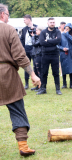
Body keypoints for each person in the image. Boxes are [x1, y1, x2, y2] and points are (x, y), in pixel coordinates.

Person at [0, 4, 41, 156]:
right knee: (17, 111)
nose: (8, 17)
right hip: (7, 74)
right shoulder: (8, 29)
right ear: (3, 15)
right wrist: (32, 74)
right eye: (8, 14)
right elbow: (19, 55)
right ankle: (23, 146)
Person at [38, 17, 62, 95]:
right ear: (47, 23)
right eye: (51, 22)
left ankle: (58, 89)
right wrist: (53, 42)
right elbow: (41, 42)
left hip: (55, 55)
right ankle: (43, 89)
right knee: (44, 72)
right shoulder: (43, 32)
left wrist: (47, 40)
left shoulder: (57, 31)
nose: (52, 24)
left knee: (56, 72)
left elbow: (58, 40)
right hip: (45, 55)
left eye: (53, 22)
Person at [20, 14, 37, 89]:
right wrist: (22, 48)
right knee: (26, 65)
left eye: (25, 20)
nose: (24, 21)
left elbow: (38, 37)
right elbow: (22, 40)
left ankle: (37, 83)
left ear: (29, 19)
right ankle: (26, 84)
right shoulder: (24, 29)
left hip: (34, 48)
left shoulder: (36, 27)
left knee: (36, 66)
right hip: (26, 49)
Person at [58, 23, 72, 89]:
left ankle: (71, 83)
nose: (66, 30)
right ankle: (64, 83)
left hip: (71, 53)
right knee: (64, 68)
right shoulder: (61, 35)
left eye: (68, 29)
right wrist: (62, 48)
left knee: (71, 68)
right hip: (64, 53)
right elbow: (57, 45)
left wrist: (67, 35)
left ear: (70, 29)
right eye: (65, 28)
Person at [31, 26, 44, 91]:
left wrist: (33, 37)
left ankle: (41, 86)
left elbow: (34, 44)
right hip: (35, 55)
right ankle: (37, 85)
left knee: (39, 71)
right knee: (35, 71)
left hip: (39, 55)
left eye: (37, 30)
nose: (36, 31)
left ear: (41, 31)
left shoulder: (41, 37)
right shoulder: (37, 37)